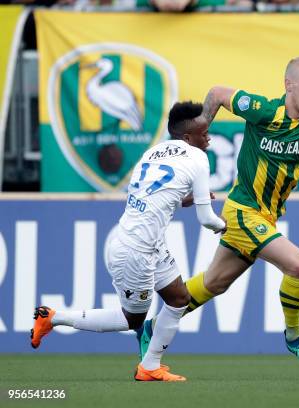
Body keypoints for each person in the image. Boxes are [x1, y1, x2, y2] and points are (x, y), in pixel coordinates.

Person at [137, 57, 299, 366]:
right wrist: (198, 138)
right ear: (288, 85)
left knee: (215, 283)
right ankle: (295, 337)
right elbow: (217, 93)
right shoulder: (264, 110)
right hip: (243, 212)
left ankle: (154, 328)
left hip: (266, 216)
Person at [30, 101, 226, 382]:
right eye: (204, 132)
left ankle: (149, 366)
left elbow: (151, 194)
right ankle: (52, 317)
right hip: (136, 251)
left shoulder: (153, 152)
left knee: (179, 298)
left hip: (145, 242)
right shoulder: (198, 159)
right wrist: (224, 227)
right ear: (187, 137)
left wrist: (183, 200)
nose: (208, 136)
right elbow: (207, 218)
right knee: (131, 319)